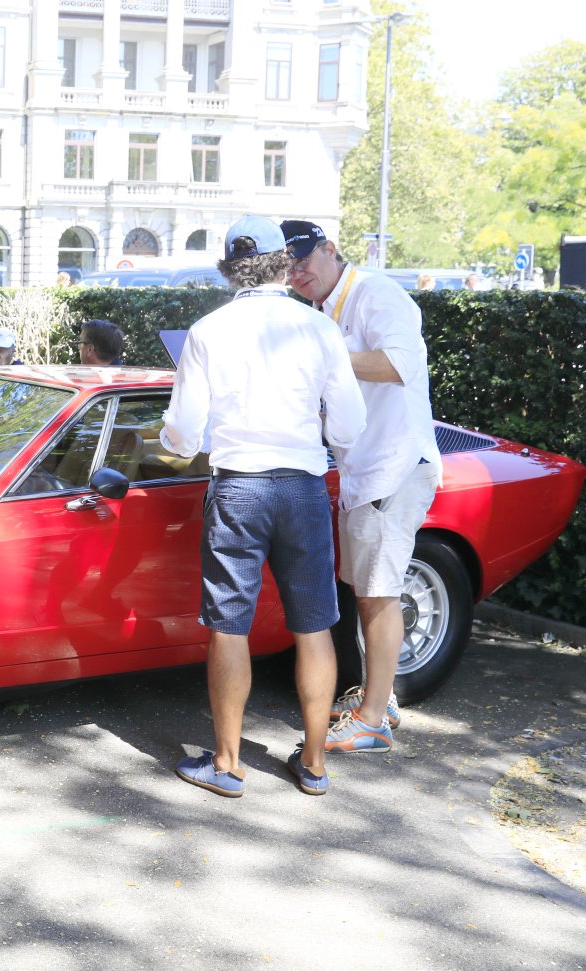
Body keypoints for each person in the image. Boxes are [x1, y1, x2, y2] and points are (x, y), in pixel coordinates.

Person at [163, 216, 366, 798]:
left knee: (229, 626)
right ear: (284, 261)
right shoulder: (319, 328)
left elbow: (184, 433)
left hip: (238, 487)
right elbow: (349, 426)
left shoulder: (207, 330)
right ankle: (315, 763)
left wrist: (173, 439)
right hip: (302, 485)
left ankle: (228, 765)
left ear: (229, 269)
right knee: (315, 624)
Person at [284, 219, 441, 756]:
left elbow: (399, 364)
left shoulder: (377, 293)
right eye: (288, 266)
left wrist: (324, 362)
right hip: (363, 472)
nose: (297, 273)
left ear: (330, 249)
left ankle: (373, 721)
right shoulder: (323, 310)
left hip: (393, 467)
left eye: (304, 260)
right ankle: (378, 700)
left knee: (378, 595)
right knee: (367, 592)